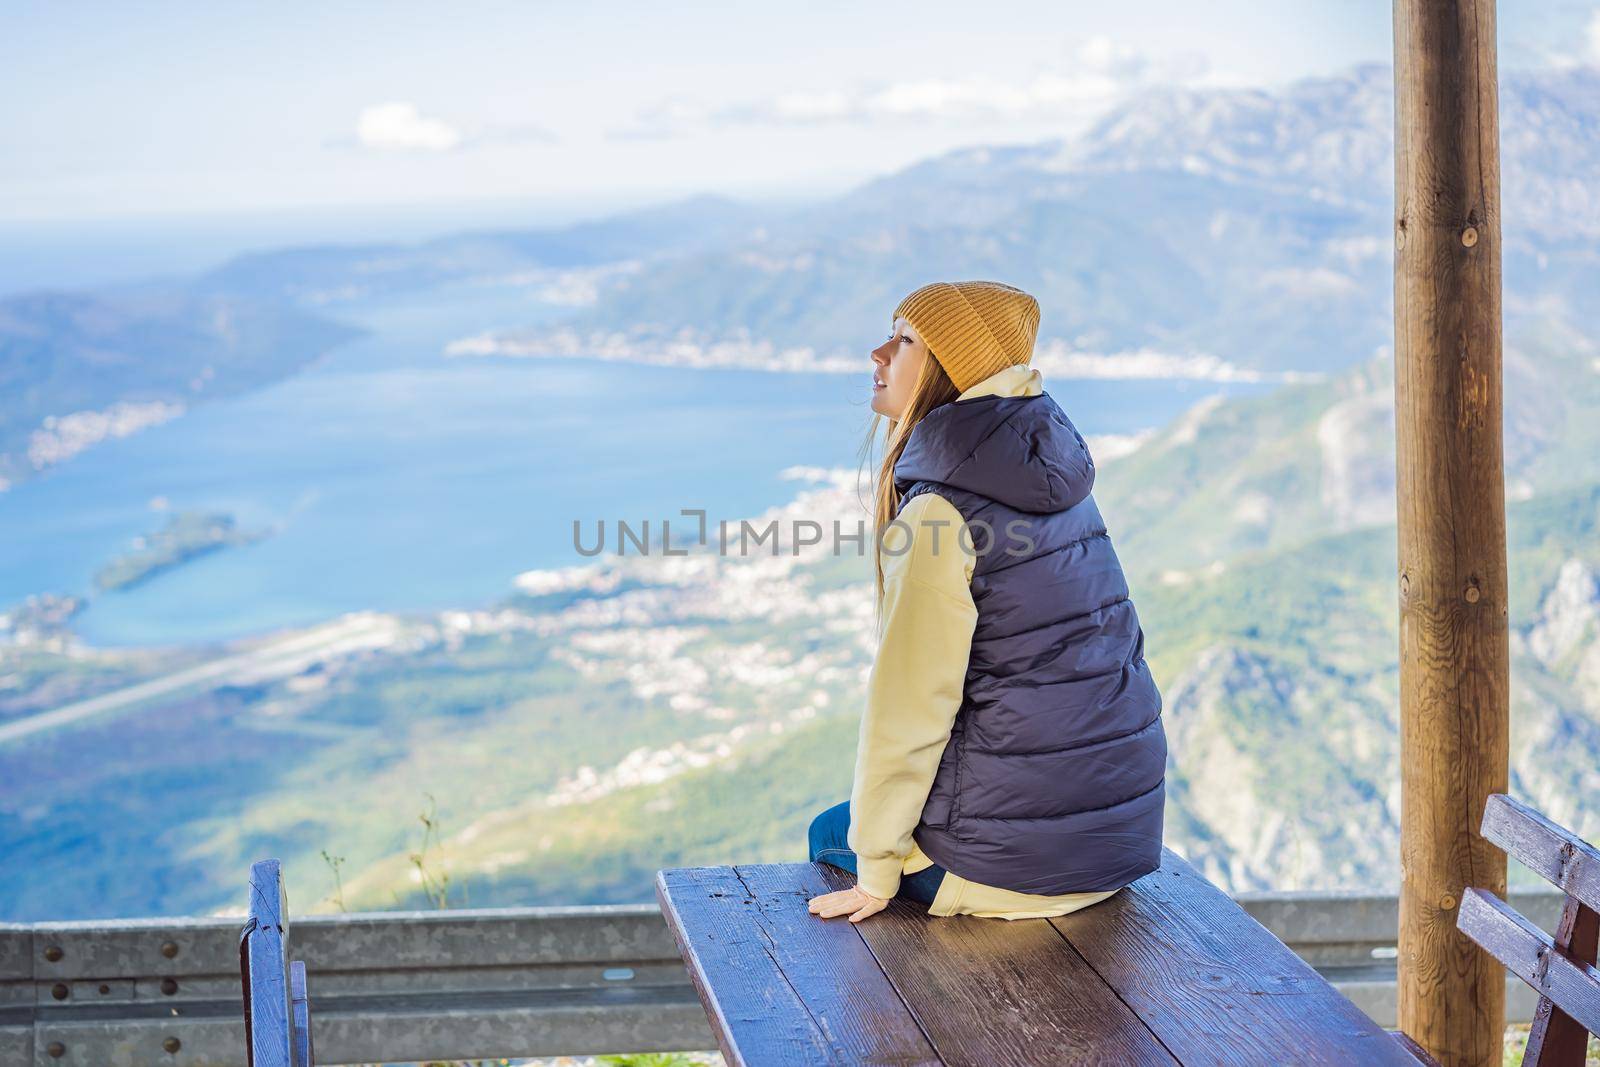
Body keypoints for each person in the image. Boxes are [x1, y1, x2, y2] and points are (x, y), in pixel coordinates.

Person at [806, 280, 1168, 923]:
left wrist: (878, 872)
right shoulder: (1050, 478)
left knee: (834, 833)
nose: (878, 353)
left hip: (1010, 871)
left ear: (953, 366)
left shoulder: (940, 513)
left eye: (907, 339)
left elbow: (910, 708)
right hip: (1111, 849)